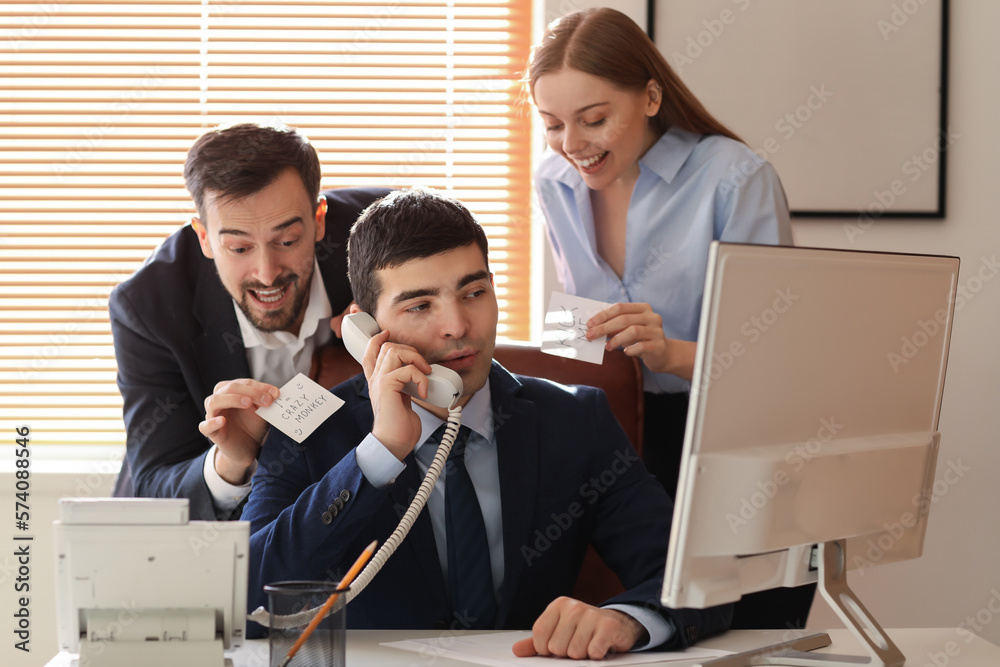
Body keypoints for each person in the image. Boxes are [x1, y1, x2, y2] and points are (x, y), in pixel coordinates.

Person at [242, 188, 732, 658]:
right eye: (420, 305)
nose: (457, 325)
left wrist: (629, 619)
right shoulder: (305, 428)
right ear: (363, 329)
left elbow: (694, 581)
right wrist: (381, 451)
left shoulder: (578, 420)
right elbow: (246, 600)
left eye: (474, 292)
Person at [528, 8, 811, 630]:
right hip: (618, 434)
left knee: (746, 632)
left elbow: (779, 362)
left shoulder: (734, 179)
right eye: (552, 124)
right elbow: (572, 322)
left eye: (594, 119)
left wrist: (671, 353)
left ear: (651, 96)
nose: (572, 144)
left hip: (732, 438)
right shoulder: (554, 181)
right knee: (644, 626)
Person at [109, 122, 390, 521]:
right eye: (239, 247)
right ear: (204, 238)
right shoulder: (148, 307)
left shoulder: (380, 234)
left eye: (288, 241)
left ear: (319, 219)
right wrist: (230, 461)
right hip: (209, 534)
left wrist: (397, 322)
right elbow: (155, 481)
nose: (267, 272)